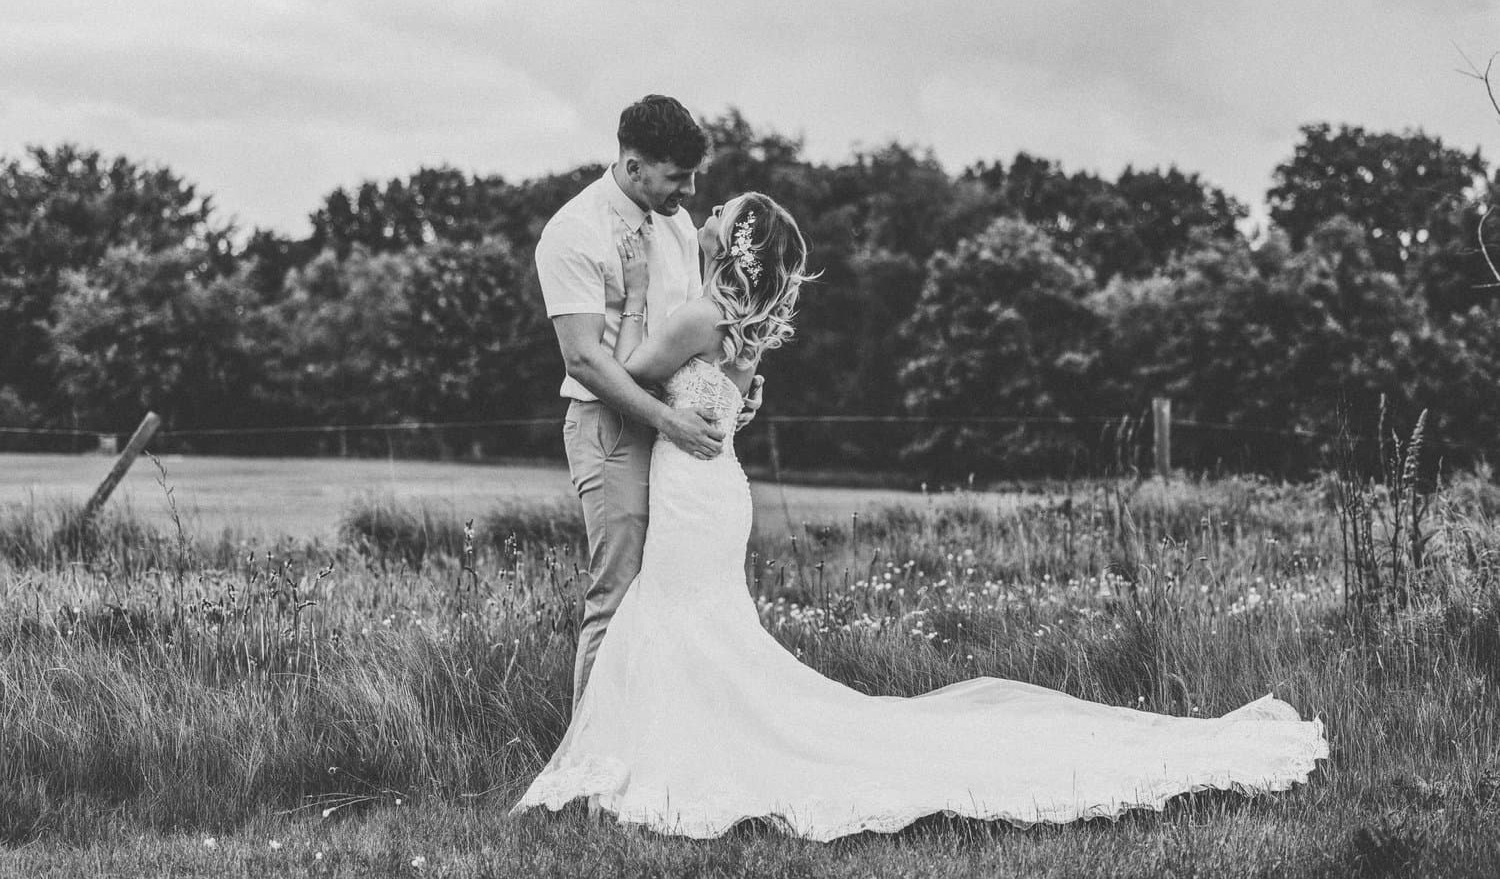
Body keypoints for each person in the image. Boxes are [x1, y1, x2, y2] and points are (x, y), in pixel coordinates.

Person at [513, 192, 1329, 841]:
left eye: (719, 218)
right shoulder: (742, 328)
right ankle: (660, 749)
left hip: (694, 491)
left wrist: (624, 285)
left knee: (673, 621)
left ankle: (646, 759)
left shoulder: (697, 317)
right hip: (716, 487)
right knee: (696, 627)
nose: (706, 217)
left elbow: (626, 370)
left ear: (734, 245)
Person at [534, 95, 762, 709]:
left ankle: (658, 738)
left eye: (692, 176)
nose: (688, 190)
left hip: (674, 435)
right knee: (619, 592)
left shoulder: (677, 223)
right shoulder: (574, 233)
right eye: (676, 176)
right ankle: (586, 761)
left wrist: (728, 384)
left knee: (671, 587)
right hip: (611, 429)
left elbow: (691, 326)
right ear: (633, 166)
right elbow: (583, 358)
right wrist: (668, 418)